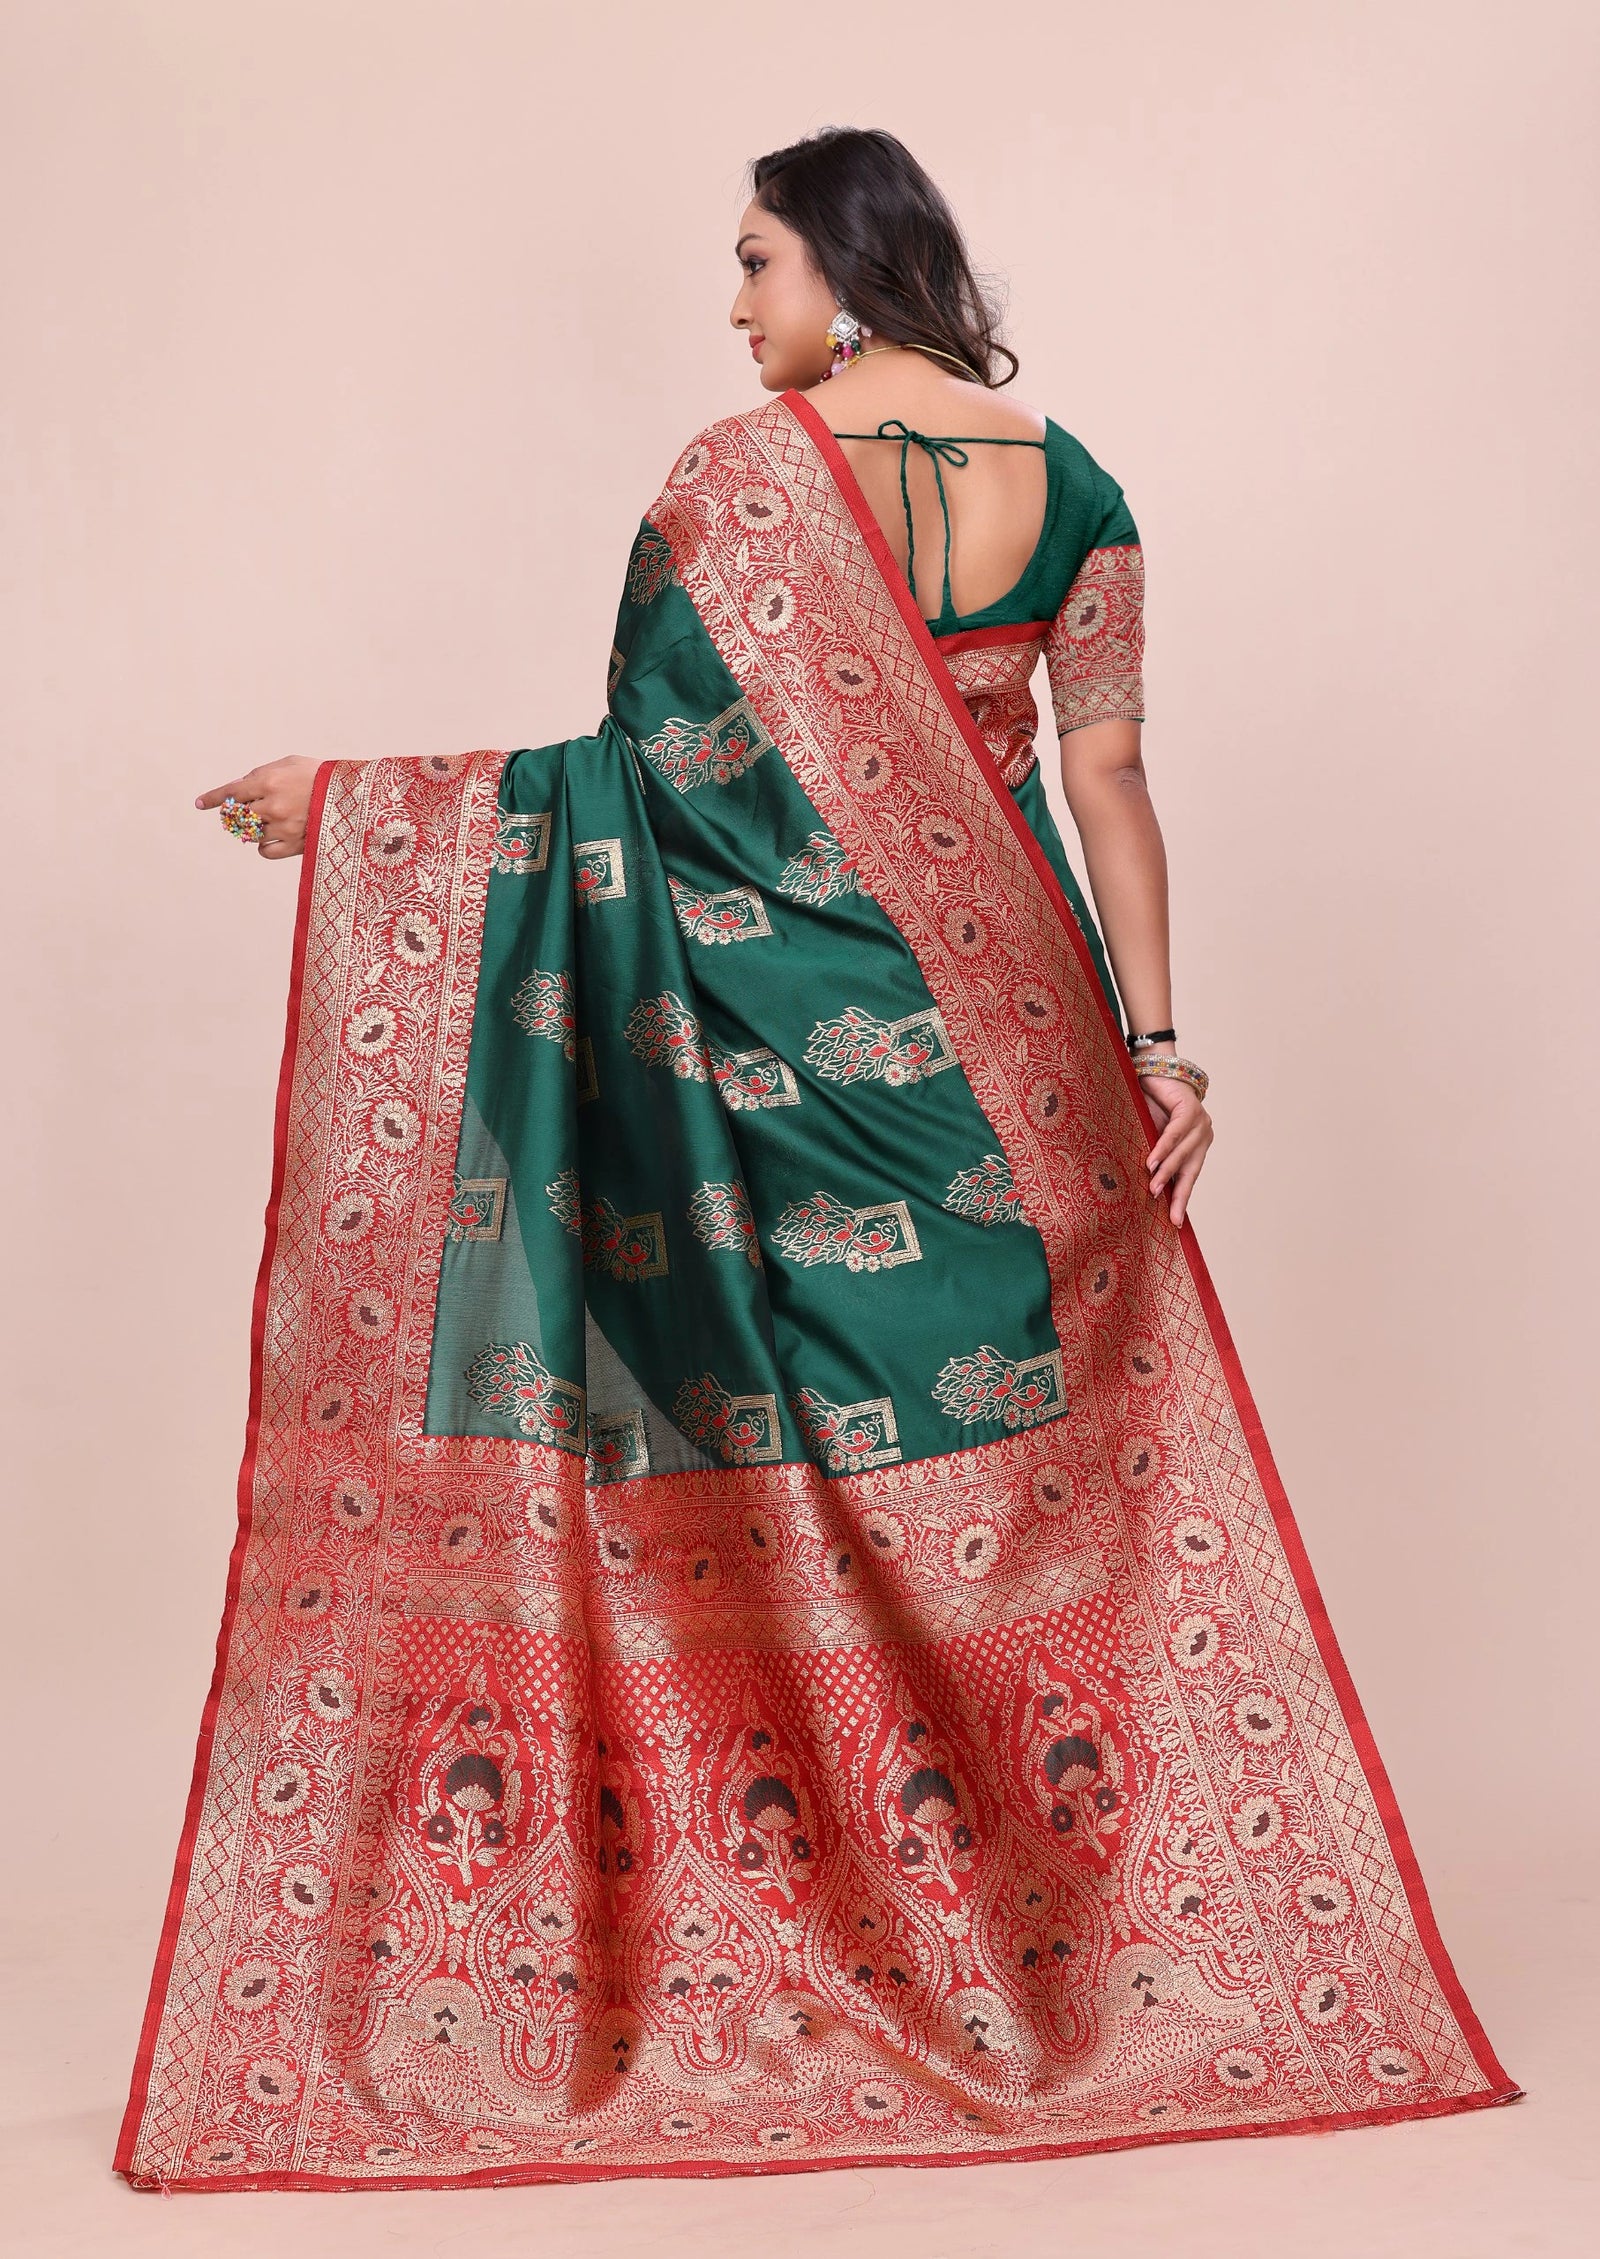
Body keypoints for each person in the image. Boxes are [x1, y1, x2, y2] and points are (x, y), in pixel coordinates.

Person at [121, 127, 1513, 2193]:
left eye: (757, 259)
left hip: (783, 1064)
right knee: (1004, 1490)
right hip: (1025, 1053)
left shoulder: (734, 480)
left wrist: (358, 799)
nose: (735, 301)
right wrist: (1150, 1049)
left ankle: (839, 1931)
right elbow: (1110, 775)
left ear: (847, 273)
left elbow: (645, 791)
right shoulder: (1082, 487)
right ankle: (1057, 1957)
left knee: (801, 1468)